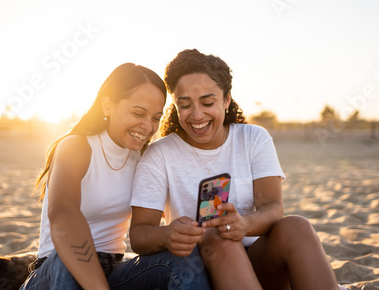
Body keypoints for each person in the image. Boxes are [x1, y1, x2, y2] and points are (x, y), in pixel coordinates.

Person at [127, 49, 342, 289]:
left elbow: (273, 208)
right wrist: (166, 235)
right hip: (201, 269)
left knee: (297, 226)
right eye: (185, 104)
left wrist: (244, 224)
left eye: (208, 102)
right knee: (220, 238)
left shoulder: (253, 138)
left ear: (226, 100)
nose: (197, 115)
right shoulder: (160, 154)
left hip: (259, 261)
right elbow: (138, 235)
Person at [20, 63, 170, 289]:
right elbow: (63, 216)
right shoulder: (77, 147)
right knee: (65, 262)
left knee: (177, 262)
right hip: (55, 271)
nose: (148, 126)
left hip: (114, 269)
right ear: (108, 105)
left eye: (156, 118)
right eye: (138, 113)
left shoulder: (145, 159)